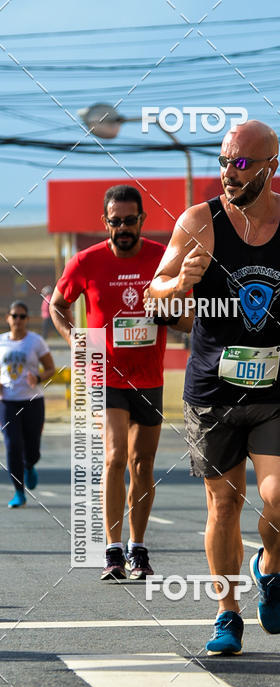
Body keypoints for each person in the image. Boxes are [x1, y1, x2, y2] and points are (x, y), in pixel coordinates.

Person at [147, 119, 280, 655]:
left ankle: (270, 565)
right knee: (222, 506)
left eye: (239, 163)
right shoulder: (197, 222)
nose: (227, 173)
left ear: (269, 167)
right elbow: (152, 294)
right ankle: (226, 612)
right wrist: (177, 283)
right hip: (212, 389)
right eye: (222, 160)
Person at [50, 185, 167, 581]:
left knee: (143, 463)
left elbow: (186, 307)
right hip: (105, 372)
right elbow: (58, 305)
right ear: (105, 223)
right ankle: (113, 551)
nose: (122, 229)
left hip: (150, 376)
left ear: (141, 220)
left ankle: (138, 548)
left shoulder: (161, 257)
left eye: (129, 221)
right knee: (116, 456)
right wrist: (75, 341)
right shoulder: (86, 262)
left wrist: (172, 311)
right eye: (115, 222)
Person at [0, 301, 55, 508]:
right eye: (15, 316)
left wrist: (39, 377)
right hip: (7, 402)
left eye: (22, 316)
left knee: (32, 447)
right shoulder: (1, 342)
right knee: (12, 445)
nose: (18, 320)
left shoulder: (36, 341)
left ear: (28, 319)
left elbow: (51, 368)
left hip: (33, 401)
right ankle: (18, 492)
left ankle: (30, 464)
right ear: (8, 318)